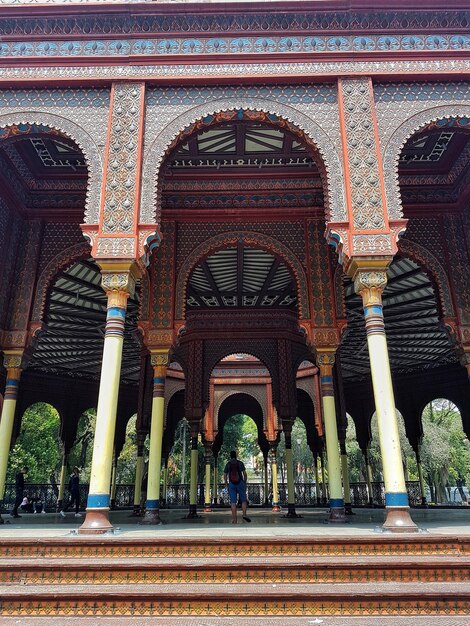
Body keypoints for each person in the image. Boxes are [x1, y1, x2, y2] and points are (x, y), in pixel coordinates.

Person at [223, 450, 251, 524]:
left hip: (231, 484)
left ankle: (234, 520)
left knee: (233, 502)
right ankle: (244, 514)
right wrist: (244, 482)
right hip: (240, 483)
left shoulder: (228, 464)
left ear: (230, 456)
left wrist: (226, 484)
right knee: (243, 500)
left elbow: (225, 475)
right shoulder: (240, 463)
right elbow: (244, 474)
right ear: (236, 456)